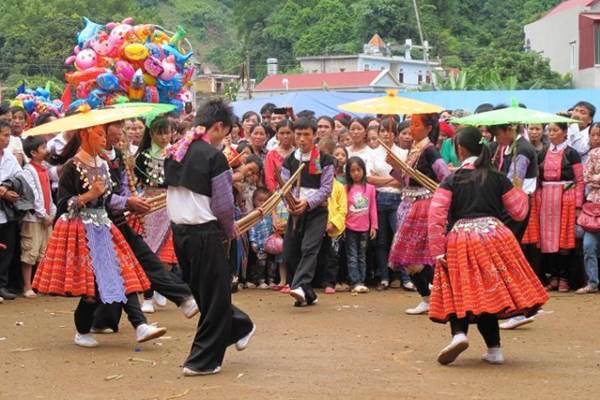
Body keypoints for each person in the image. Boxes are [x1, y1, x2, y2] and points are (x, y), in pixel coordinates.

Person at [32, 123, 167, 347]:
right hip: (80, 232)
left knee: (122, 273)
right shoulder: (71, 166)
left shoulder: (103, 164)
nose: (104, 139)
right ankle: (83, 330)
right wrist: (88, 195)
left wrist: (120, 202)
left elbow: (107, 199)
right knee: (92, 290)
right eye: (100, 134)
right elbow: (64, 204)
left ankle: (140, 325)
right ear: (85, 135)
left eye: (105, 135)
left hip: (104, 227)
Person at [428, 126, 548, 365]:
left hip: (461, 238)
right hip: (495, 237)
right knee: (488, 291)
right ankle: (494, 349)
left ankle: (459, 334)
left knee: (460, 288)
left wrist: (437, 250)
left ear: (460, 150)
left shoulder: (452, 179)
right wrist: (517, 189)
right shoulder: (497, 177)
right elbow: (518, 211)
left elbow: (436, 216)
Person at [165, 98, 255, 376]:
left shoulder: (175, 151)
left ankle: (207, 354)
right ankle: (235, 329)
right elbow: (225, 205)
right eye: (225, 135)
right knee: (212, 297)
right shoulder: (213, 157)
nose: (224, 141)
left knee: (207, 295)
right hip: (204, 233)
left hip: (181, 233)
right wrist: (230, 230)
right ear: (217, 127)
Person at [387, 113, 450, 315]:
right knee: (407, 257)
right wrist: (395, 166)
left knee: (413, 256)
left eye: (416, 125)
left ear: (428, 128)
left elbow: (445, 177)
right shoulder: (414, 150)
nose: (411, 129)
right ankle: (427, 298)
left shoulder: (430, 150)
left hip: (423, 206)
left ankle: (446, 294)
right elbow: (406, 180)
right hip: (407, 204)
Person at [281, 117, 334, 307]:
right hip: (295, 211)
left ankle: (300, 286)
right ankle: (307, 293)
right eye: (299, 134)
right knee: (289, 251)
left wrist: (308, 203)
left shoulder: (326, 160)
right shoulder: (289, 161)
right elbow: (285, 187)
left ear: (314, 135)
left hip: (317, 211)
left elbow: (326, 189)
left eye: (306, 134)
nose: (302, 139)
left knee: (309, 247)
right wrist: (289, 202)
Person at [134, 116, 177, 313]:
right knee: (149, 252)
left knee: (168, 256)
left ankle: (160, 286)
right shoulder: (142, 156)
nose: (164, 137)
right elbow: (141, 179)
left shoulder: (176, 153)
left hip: (170, 206)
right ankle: (148, 296)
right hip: (150, 207)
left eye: (167, 132)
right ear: (151, 134)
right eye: (160, 132)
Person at [538, 122, 584, 292]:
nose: (551, 134)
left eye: (555, 130)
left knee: (563, 239)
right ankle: (554, 277)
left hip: (566, 198)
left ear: (565, 132)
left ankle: (565, 278)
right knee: (548, 239)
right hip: (546, 200)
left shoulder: (572, 154)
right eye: (549, 130)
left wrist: (578, 204)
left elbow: (580, 180)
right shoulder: (542, 152)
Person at [369, 119, 412, 291]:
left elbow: (405, 179)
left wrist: (387, 180)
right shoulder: (372, 154)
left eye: (389, 130)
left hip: (398, 199)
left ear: (395, 133)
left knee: (399, 237)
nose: (386, 134)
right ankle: (385, 277)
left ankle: (406, 277)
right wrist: (393, 179)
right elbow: (369, 179)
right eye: (382, 130)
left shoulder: (403, 153)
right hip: (378, 199)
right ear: (378, 133)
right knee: (381, 241)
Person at [20, 136, 55, 298]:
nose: (46, 150)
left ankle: (40, 284)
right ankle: (27, 286)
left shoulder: (44, 169)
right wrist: (43, 214)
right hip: (34, 218)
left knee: (44, 251)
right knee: (30, 251)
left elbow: (48, 192)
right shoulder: (28, 171)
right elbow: (33, 195)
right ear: (33, 153)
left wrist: (51, 213)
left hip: (46, 216)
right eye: (43, 148)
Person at [318, 138, 347, 294]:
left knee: (333, 257)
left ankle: (330, 282)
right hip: (318, 225)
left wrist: (333, 223)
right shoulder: (318, 186)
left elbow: (343, 209)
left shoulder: (340, 187)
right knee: (317, 255)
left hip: (334, 228)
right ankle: (317, 281)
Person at [345, 156, 377, 293]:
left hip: (365, 228)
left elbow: (373, 208)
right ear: (349, 173)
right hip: (350, 227)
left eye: (358, 170)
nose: (356, 173)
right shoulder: (346, 188)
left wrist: (374, 226)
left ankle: (362, 281)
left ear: (363, 170)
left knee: (362, 255)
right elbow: (344, 208)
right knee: (352, 255)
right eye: (353, 171)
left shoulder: (370, 188)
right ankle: (355, 281)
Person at [0, 120, 22, 301]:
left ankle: (3, 285)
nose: (8, 139)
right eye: (4, 135)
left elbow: (19, 177)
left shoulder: (10, 157)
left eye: (8, 135)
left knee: (7, 249)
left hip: (6, 211)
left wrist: (8, 188)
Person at [578, 122, 600, 294]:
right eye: (593, 135)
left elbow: (592, 177)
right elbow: (586, 177)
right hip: (593, 207)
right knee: (588, 245)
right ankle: (592, 282)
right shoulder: (592, 154)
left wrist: (595, 178)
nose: (595, 138)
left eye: (599, 135)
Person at [248, 187, 276, 289]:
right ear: (254, 201)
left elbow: (273, 226)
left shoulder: (270, 213)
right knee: (261, 263)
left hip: (270, 244)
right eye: (260, 200)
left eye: (265, 200)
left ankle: (271, 280)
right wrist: (253, 242)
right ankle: (261, 280)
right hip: (260, 244)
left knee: (271, 263)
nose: (263, 203)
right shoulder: (253, 215)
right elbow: (252, 229)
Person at [264, 120, 295, 192]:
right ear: (277, 134)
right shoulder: (271, 154)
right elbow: (269, 178)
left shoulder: (297, 153)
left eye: (288, 133)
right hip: (277, 194)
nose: (285, 136)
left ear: (293, 133)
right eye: (282, 133)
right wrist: (275, 194)